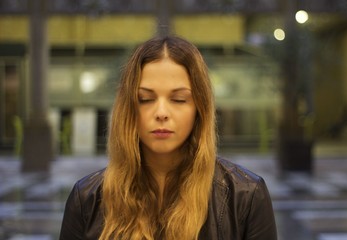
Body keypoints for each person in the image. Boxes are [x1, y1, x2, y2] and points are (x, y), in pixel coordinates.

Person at [59, 36, 277, 240]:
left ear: (199, 109)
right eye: (145, 99)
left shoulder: (246, 196)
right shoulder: (86, 199)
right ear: (128, 109)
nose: (161, 112)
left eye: (179, 99)